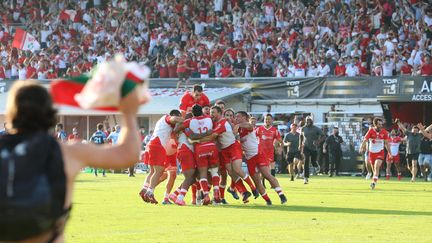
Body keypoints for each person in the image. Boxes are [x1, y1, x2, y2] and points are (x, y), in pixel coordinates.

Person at [0, 80, 143, 242]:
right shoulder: (67, 151)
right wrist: (129, 113)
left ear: (12, 113)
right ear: (50, 112)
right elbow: (128, 154)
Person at [234, 111, 287, 205]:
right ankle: (267, 200)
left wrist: (279, 148)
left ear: (245, 118)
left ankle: (281, 195)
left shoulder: (247, 126)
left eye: (238, 116)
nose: (236, 118)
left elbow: (250, 126)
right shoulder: (239, 129)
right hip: (249, 159)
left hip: (258, 154)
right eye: (236, 117)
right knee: (257, 180)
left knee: (267, 175)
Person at [139, 109, 183, 204]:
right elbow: (174, 119)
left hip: (152, 145)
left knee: (152, 171)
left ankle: (144, 188)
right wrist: (185, 120)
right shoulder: (168, 117)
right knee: (159, 171)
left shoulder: (162, 121)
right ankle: (150, 192)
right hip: (158, 145)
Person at [360, 118, 392, 189]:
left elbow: (386, 143)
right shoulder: (371, 131)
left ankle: (373, 183)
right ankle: (373, 178)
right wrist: (361, 147)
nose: (381, 126)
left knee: (377, 166)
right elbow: (365, 140)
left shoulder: (384, 132)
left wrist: (390, 153)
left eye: (381, 124)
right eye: (379, 124)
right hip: (371, 153)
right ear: (375, 124)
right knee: (374, 169)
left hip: (380, 152)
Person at [255, 114, 283, 187]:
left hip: (270, 152)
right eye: (265, 119)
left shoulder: (274, 130)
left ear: (272, 120)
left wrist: (280, 148)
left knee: (270, 168)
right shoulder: (259, 129)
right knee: (264, 169)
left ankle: (271, 183)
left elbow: (280, 141)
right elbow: (252, 138)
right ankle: (263, 183)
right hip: (261, 152)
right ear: (264, 120)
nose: (267, 120)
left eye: (268, 119)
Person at [300, 116, 324, 184]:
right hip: (306, 147)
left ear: (312, 121)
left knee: (313, 161)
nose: (308, 122)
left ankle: (316, 166)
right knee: (306, 160)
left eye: (310, 121)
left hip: (313, 148)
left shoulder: (316, 129)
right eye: (307, 121)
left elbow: (323, 136)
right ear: (306, 121)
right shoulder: (303, 128)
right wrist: (300, 145)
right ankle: (306, 177)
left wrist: (318, 141)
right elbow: (301, 136)